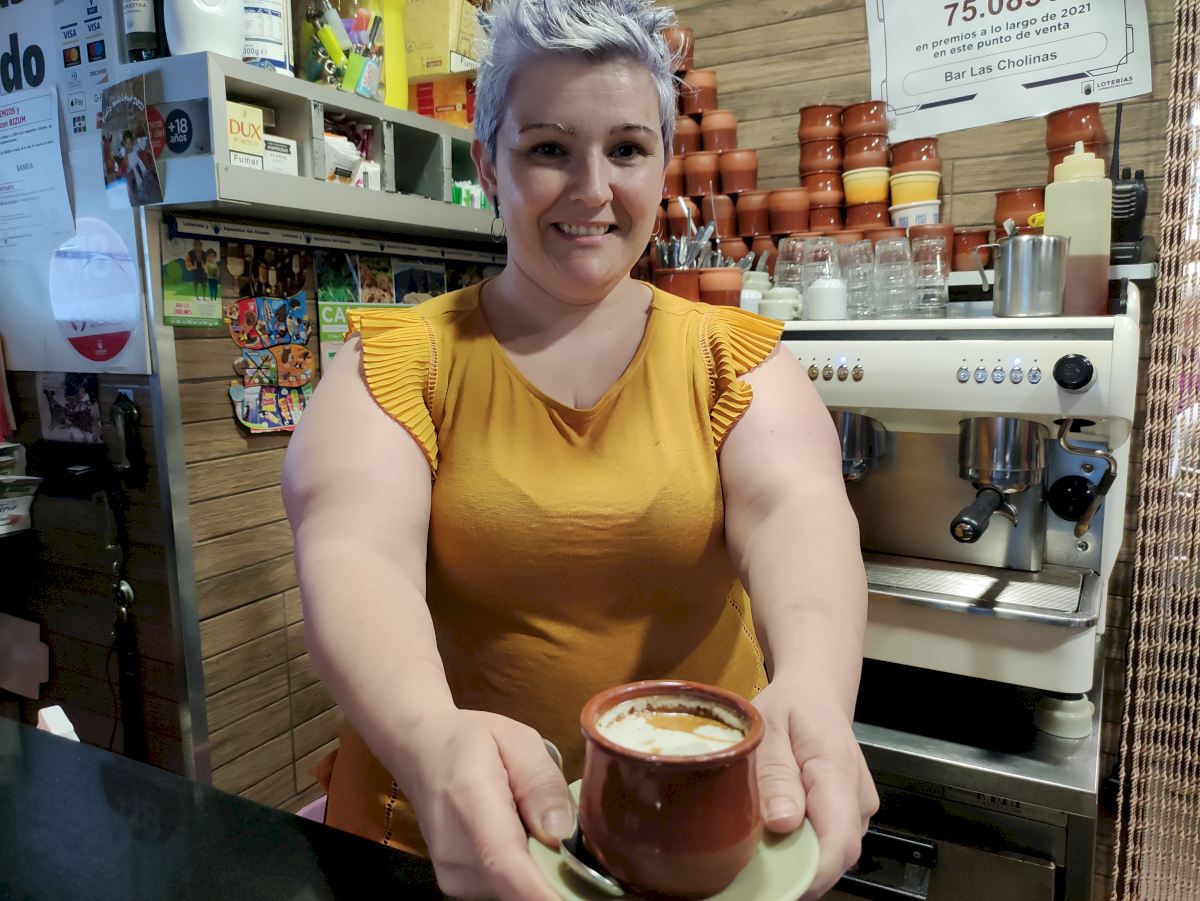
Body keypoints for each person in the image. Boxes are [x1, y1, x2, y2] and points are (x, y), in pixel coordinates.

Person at [281, 0, 877, 898]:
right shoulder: (398, 363)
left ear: (662, 163)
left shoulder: (734, 361)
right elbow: (353, 548)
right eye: (549, 149)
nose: (592, 189)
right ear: (489, 164)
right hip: (438, 835)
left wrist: (817, 688)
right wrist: (426, 731)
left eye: (627, 149)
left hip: (690, 837)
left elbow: (799, 512)